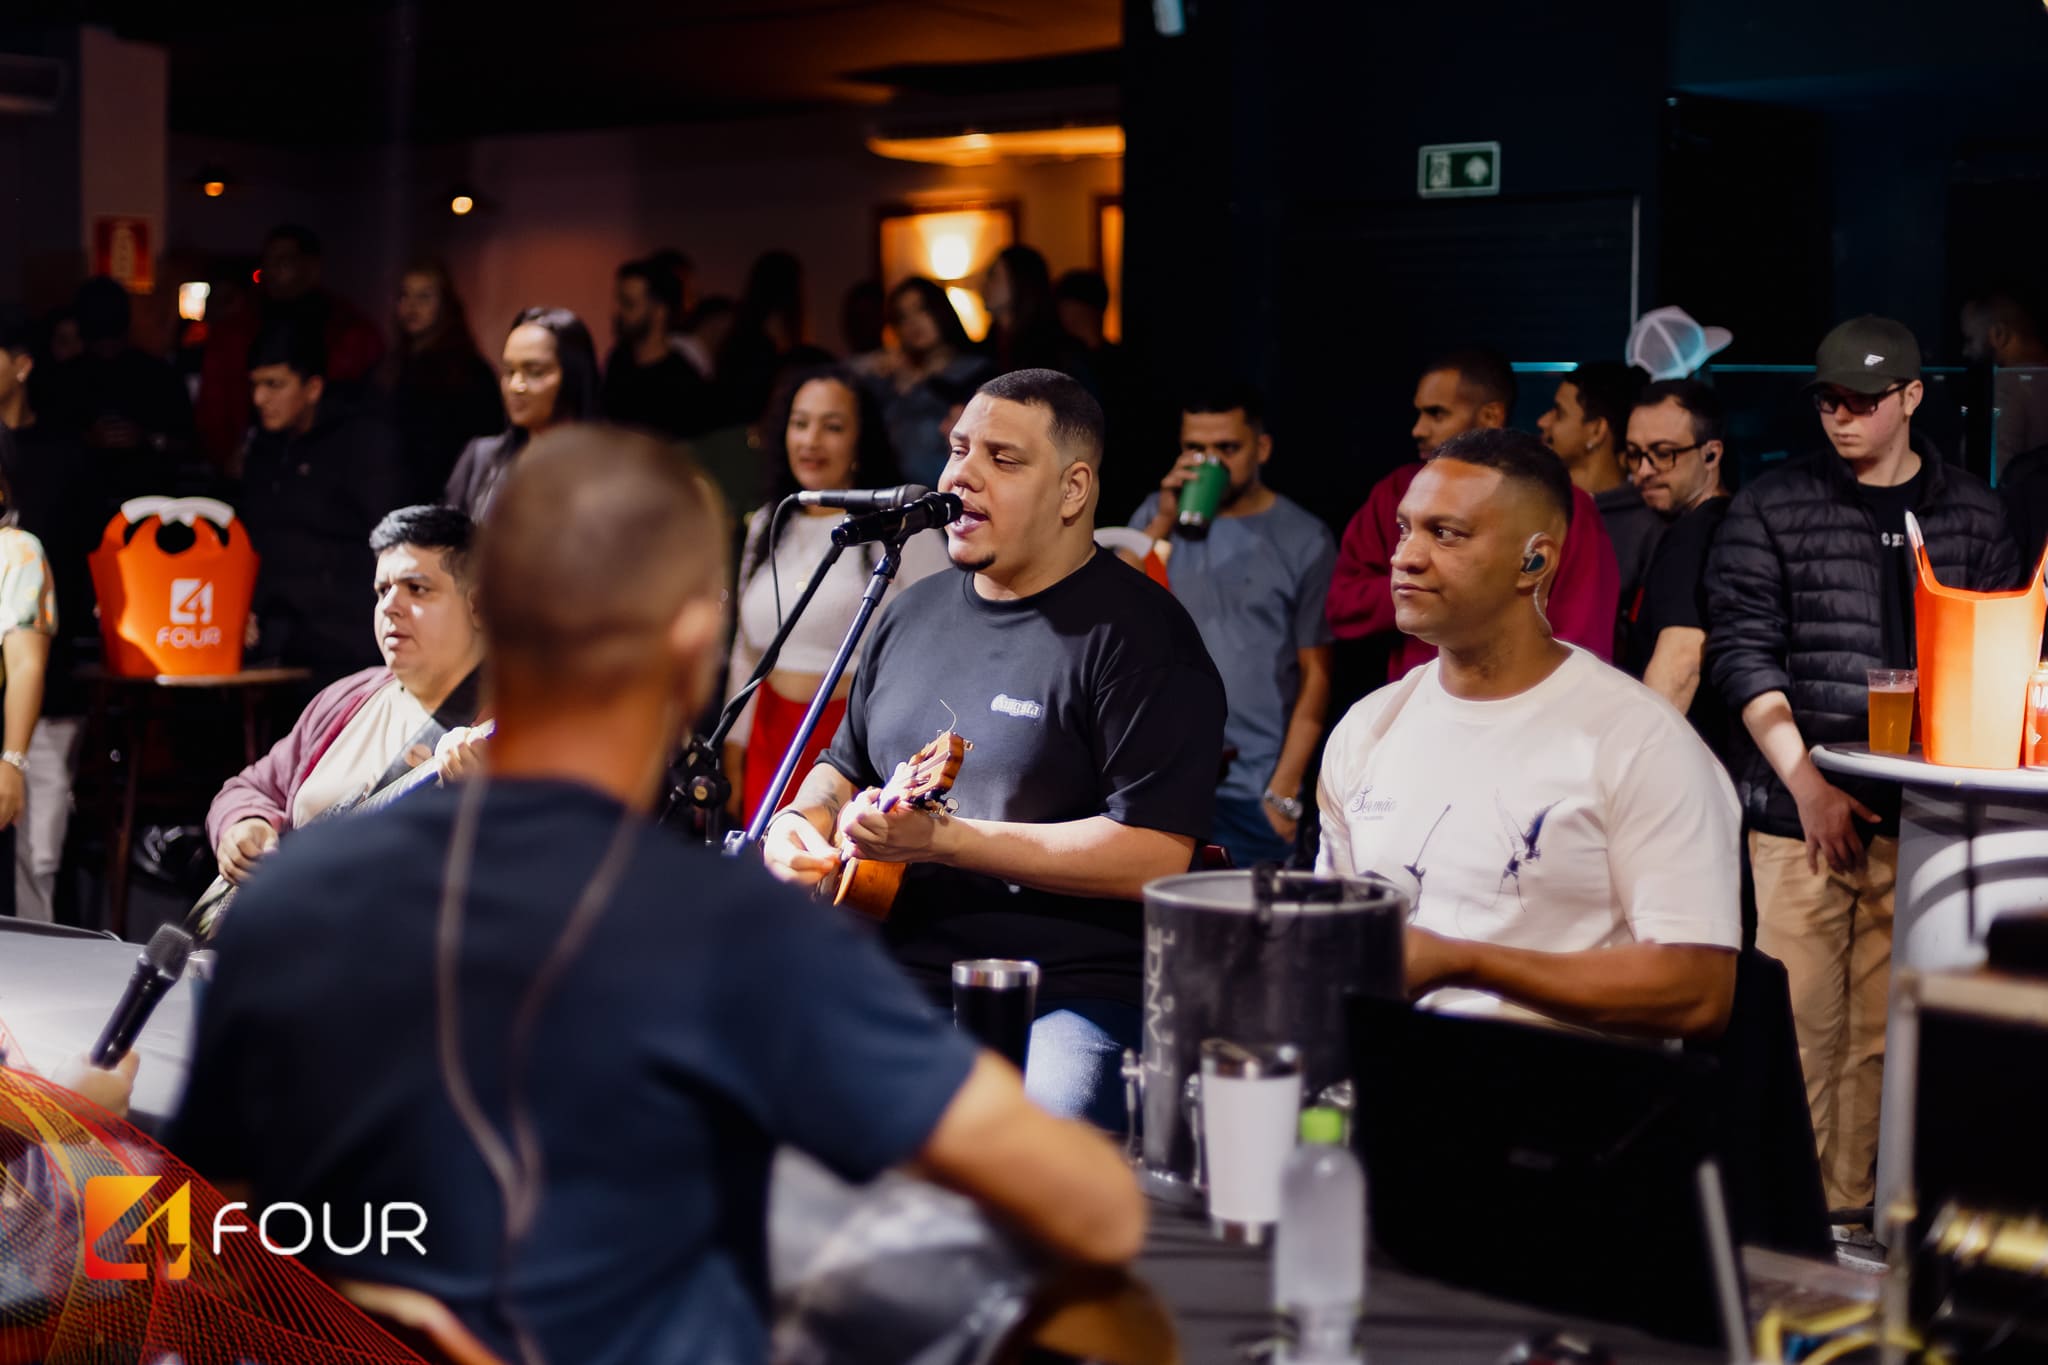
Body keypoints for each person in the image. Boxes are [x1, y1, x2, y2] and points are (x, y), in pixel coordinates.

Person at [167, 426, 1146, 1365]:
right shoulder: (741, 935)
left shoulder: (294, 896)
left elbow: (188, 1233)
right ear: (693, 638)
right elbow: (1097, 1210)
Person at [763, 369, 1226, 1127]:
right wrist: (799, 823)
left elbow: (1156, 854)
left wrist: (951, 841)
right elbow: (840, 769)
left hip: (1068, 991)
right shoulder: (908, 612)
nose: (960, 477)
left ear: (1073, 489)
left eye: (1002, 459)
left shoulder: (1142, 638)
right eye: (957, 450)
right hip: (896, 973)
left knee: (1029, 1136)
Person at [1705, 314, 2020, 1215]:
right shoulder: (1773, 503)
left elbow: (2002, 649)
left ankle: (1846, 1218)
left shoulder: (1973, 512)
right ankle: (1784, 1226)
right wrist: (1808, 787)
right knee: (1795, 1026)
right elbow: (1743, 654)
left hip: (1919, 810)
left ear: (1912, 397)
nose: (1841, 416)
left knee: (1884, 1037)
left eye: (1863, 400)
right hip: (1797, 807)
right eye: (1829, 401)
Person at [1317, 428, 1739, 1039]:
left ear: (1534, 560)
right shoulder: (1367, 728)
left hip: (1565, 1092)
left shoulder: (1640, 741)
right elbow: (1334, 942)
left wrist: (1466, 962)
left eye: (1446, 533)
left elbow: (1698, 990)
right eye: (1406, 529)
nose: (1405, 556)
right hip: (1389, 1077)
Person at [209, 504, 486, 885]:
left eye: (417, 589)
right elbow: (251, 787)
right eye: (383, 590)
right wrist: (243, 824)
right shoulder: (350, 697)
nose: (390, 606)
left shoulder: (513, 730)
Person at [723, 366, 951, 824]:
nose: (811, 441)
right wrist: (733, 749)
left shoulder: (901, 526)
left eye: (832, 427)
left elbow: (946, 639)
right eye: (800, 423)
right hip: (769, 734)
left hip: (854, 741)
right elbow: (746, 654)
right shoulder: (768, 522)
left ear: (860, 440)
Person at [1129, 383, 1334, 868]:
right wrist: (1161, 521)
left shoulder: (1304, 538)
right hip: (1159, 779)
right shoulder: (1157, 518)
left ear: (1261, 448)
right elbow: (1109, 607)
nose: (1210, 462)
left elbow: (1317, 673)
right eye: (1195, 448)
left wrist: (1283, 791)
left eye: (1227, 448)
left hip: (1251, 789)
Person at [1327, 348, 1620, 682]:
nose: (1418, 429)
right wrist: (1422, 587)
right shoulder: (1397, 491)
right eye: (1404, 528)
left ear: (1491, 416)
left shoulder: (1558, 503)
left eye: (1437, 414)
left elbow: (1584, 636)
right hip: (1423, 699)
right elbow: (1342, 605)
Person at [239, 319, 409, 690]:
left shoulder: (363, 443)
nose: (260, 398)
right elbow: (256, 539)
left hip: (345, 647)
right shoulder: (264, 448)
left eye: (274, 384)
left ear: (313, 387)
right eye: (255, 384)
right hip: (277, 639)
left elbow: (389, 543)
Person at [0, 318, 101, 920]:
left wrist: (11, 759)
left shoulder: (63, 460)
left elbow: (91, 559)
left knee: (37, 859)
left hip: (46, 681)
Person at [195, 223, 384, 469]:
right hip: (249, 456)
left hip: (324, 455)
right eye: (268, 261)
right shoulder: (239, 326)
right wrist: (223, 453)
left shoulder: (346, 327)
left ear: (312, 267)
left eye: (284, 261)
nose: (273, 270)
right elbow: (214, 404)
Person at [1623, 380, 1733, 758]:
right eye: (1634, 454)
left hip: (1690, 760)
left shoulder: (1695, 534)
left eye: (1663, 454)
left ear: (1711, 454)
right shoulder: (1725, 523)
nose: (1644, 471)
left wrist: (1633, 767)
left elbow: (1680, 665)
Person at [1537, 361, 1663, 659]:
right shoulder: (1536, 510)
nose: (1543, 421)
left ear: (1596, 430)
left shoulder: (1648, 528)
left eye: (1559, 412)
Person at [444, 308, 602, 520]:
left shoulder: (606, 471)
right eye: (509, 372)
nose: (516, 386)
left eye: (535, 372)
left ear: (573, 376)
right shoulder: (481, 461)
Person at [33, 277, 193, 473]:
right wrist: (85, 439)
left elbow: (189, 443)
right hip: (84, 487)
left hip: (147, 486)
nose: (106, 342)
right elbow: (43, 444)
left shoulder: (159, 375)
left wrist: (147, 438)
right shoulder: (62, 379)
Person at [379, 259, 504, 502]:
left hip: (445, 497)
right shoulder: (390, 366)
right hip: (392, 494)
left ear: (445, 305)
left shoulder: (470, 373)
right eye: (404, 295)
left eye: (424, 297)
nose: (412, 306)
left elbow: (484, 449)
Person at [857, 277, 991, 487]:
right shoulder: (888, 380)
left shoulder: (976, 371)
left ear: (939, 310)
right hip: (895, 492)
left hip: (953, 487)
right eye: (903, 316)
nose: (912, 322)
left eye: (921, 309)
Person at [604, 258, 712, 439]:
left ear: (660, 311)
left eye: (629, 303)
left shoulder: (683, 383)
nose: (618, 312)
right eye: (619, 302)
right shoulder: (618, 360)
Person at [1960, 292, 2048, 474]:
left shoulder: (2007, 386)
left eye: (1970, 339)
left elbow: (1997, 471)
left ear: (1999, 335)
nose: (1965, 351)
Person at [983, 246, 1093, 383]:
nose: (985, 284)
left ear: (1019, 281)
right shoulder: (984, 351)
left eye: (993, 275)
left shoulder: (1059, 353)